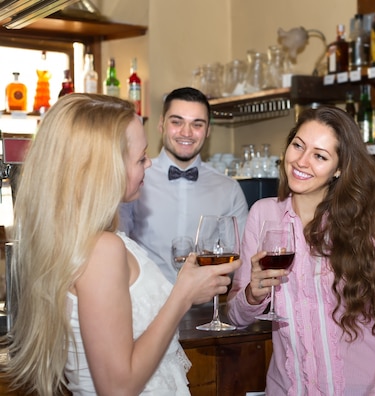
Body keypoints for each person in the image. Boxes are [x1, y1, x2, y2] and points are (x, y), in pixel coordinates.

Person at [0, 94, 241, 395]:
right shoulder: (103, 250)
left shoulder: (84, 237)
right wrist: (182, 294)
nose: (149, 162)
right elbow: (117, 387)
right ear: (106, 167)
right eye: (141, 158)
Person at [227, 106, 375, 394]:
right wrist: (252, 295)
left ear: (339, 169)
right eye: (298, 146)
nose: (301, 162)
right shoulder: (263, 214)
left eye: (319, 156)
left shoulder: (366, 231)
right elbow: (235, 317)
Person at [119, 87, 248, 284]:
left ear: (208, 131)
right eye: (177, 122)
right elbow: (119, 244)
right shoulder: (133, 180)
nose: (186, 132)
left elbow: (239, 260)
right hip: (148, 308)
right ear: (161, 124)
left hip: (206, 309)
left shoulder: (229, 190)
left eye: (197, 124)